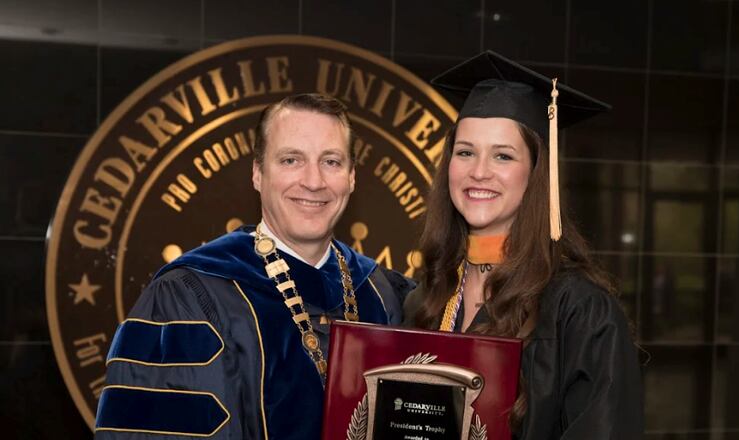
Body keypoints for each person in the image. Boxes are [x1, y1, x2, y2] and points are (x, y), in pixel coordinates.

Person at [95, 93, 411, 439]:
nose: (314, 181)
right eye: (291, 160)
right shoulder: (190, 296)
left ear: (352, 177)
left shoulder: (381, 292)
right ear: (258, 174)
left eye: (331, 162)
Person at [404, 51, 643, 439]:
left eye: (503, 155)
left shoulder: (580, 311)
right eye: (465, 152)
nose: (478, 171)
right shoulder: (428, 299)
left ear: (536, 172)